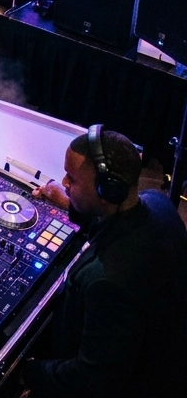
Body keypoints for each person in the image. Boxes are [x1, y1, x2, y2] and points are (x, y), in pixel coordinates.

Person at [22, 126, 187, 398]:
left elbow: (92, 379)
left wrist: (26, 372)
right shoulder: (157, 203)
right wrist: (69, 203)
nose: (64, 182)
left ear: (107, 189)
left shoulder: (108, 282)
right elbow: (117, 226)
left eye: (72, 179)